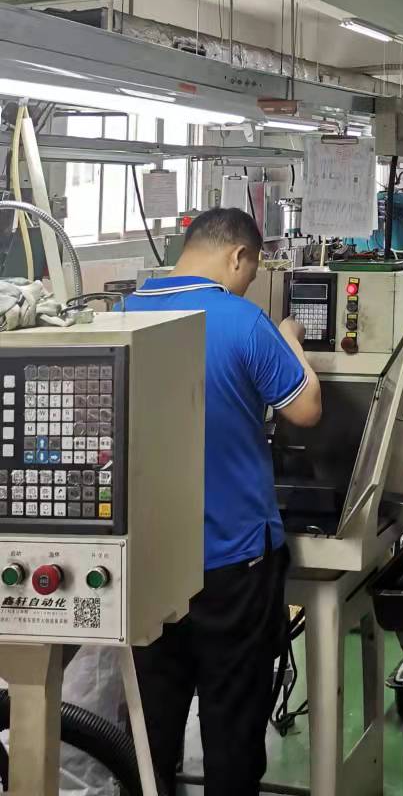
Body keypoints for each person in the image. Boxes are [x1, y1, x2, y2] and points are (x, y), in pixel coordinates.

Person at [124, 207, 321, 796]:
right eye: (251, 272)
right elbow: (306, 410)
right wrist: (291, 341)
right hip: (234, 561)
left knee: (149, 726)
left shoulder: (122, 313)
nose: (247, 283)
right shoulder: (243, 321)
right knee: (232, 723)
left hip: (147, 565)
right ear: (238, 256)